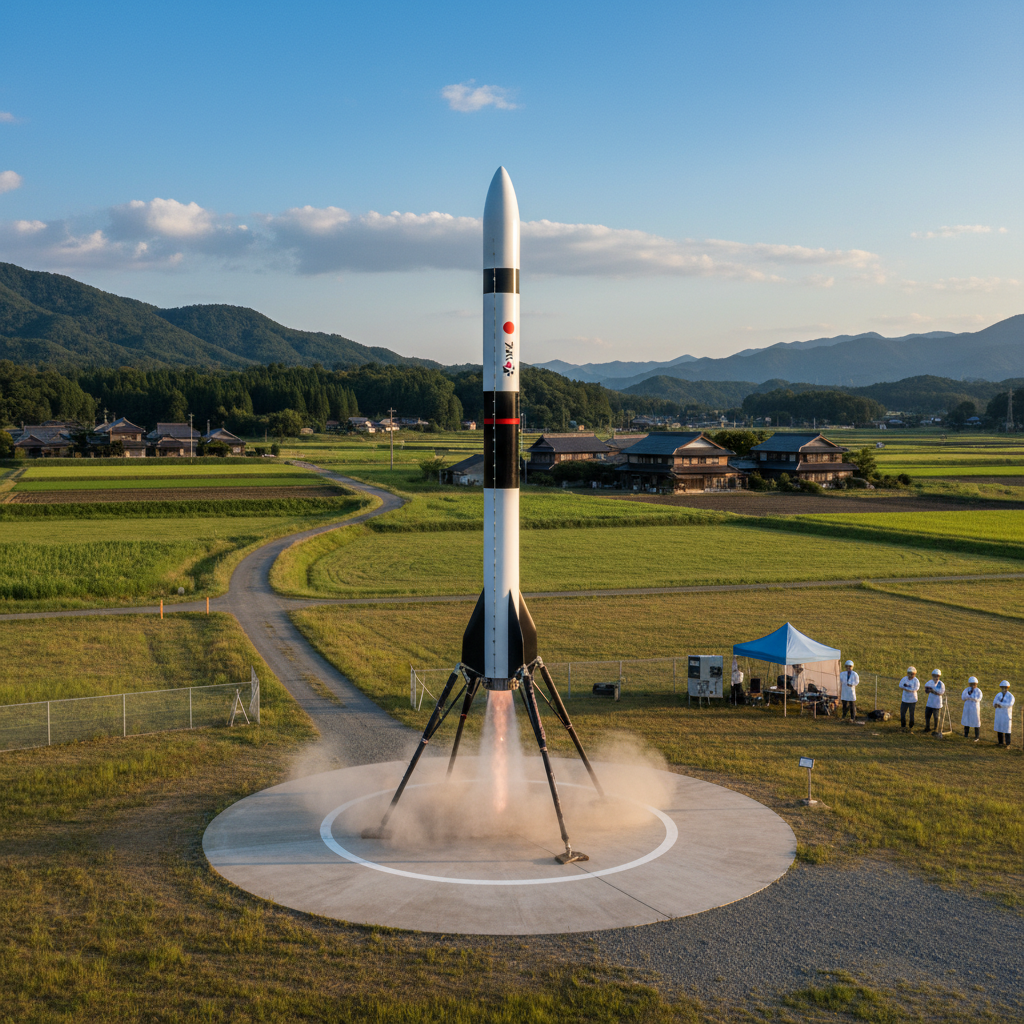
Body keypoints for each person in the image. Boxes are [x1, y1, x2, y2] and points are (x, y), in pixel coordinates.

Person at [993, 680, 1014, 747]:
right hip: (999, 714)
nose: (1004, 689)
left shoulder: (1010, 696)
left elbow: (1010, 704)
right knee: (999, 728)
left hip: (1006, 714)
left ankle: (1008, 744)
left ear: (1007, 688)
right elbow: (994, 702)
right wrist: (995, 705)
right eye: (1002, 688)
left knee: (1007, 729)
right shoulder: (998, 695)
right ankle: (1000, 742)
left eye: (1005, 688)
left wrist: (1001, 705)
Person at [898, 666, 920, 731]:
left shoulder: (916, 680)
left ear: (914, 674)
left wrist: (906, 688)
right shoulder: (904, 679)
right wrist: (909, 689)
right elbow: (900, 685)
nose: (910, 675)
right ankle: (903, 725)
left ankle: (911, 726)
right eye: (909, 673)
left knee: (911, 713)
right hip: (905, 699)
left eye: (912, 674)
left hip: (912, 700)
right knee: (902, 712)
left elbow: (916, 689)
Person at [924, 669, 945, 734]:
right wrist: (928, 690)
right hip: (930, 702)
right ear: (932, 676)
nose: (936, 678)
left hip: (937, 703)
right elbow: (926, 690)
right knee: (927, 715)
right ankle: (927, 727)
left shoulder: (941, 684)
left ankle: (936, 727)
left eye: (937, 676)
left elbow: (941, 692)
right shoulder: (929, 682)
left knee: (936, 717)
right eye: (935, 676)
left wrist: (933, 691)